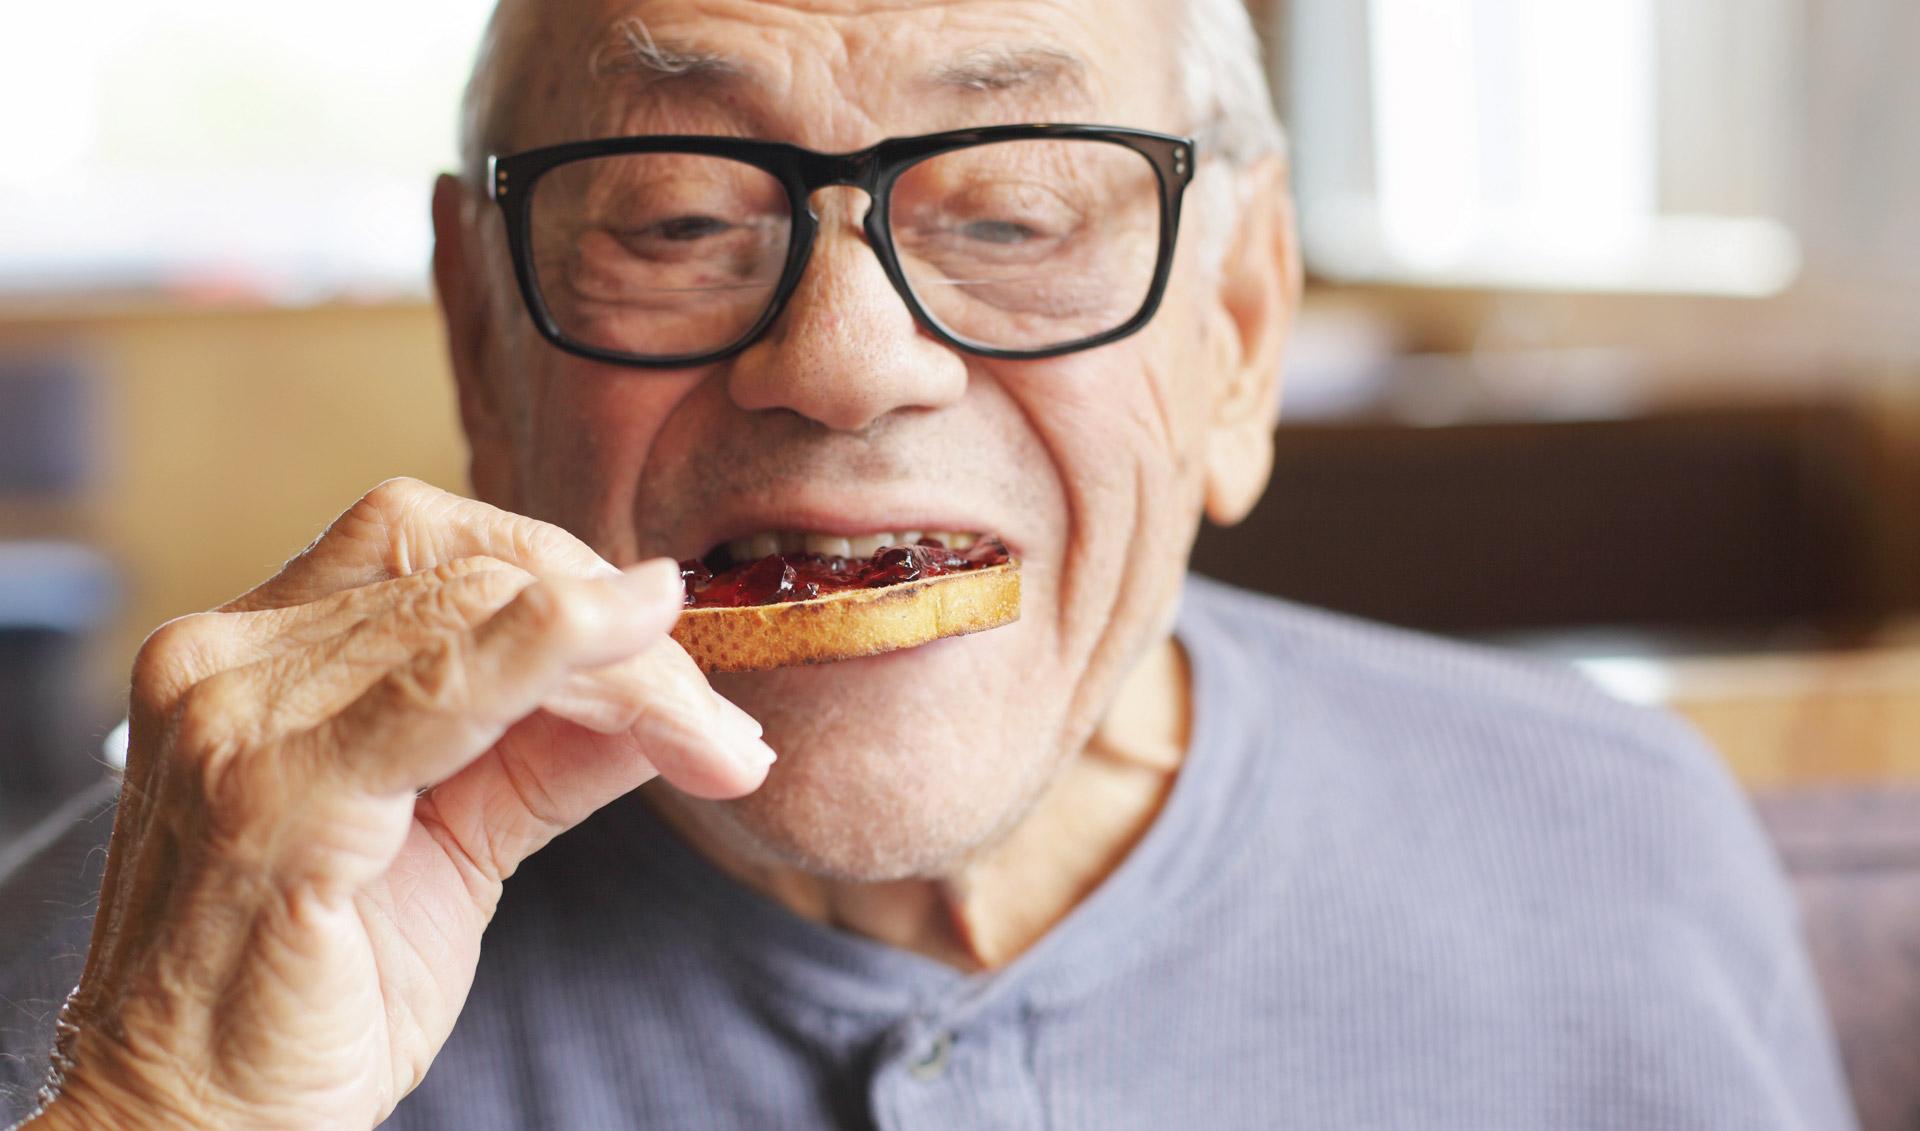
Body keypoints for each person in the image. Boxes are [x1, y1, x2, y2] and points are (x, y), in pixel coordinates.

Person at [0, 1, 1857, 1128]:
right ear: (484, 346)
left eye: (1018, 207)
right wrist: (174, 1109)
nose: (841, 363)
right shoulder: (139, 962)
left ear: (1240, 323)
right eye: (674, 218)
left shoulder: (1619, 854)